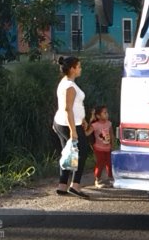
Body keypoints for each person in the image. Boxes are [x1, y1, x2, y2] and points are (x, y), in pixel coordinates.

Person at [52, 56, 90, 198]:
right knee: (82, 152)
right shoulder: (70, 86)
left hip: (62, 123)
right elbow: (68, 109)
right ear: (72, 69)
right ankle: (75, 186)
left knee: (68, 153)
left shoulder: (65, 82)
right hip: (69, 125)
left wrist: (83, 118)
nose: (80, 69)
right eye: (79, 66)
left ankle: (62, 186)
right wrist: (73, 130)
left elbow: (70, 106)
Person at [85, 105, 115, 188]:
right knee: (100, 163)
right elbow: (87, 133)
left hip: (108, 148)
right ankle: (97, 180)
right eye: (104, 113)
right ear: (98, 116)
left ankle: (110, 178)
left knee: (109, 163)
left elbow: (111, 135)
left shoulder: (109, 123)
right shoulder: (95, 125)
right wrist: (84, 126)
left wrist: (113, 145)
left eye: (107, 112)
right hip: (98, 148)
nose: (107, 114)